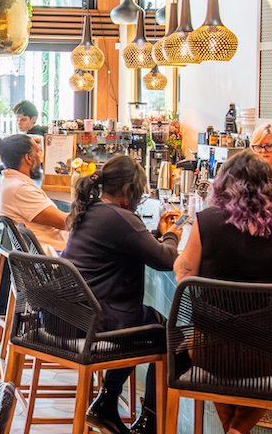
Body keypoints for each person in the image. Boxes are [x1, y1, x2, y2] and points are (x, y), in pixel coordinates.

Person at [174, 151, 272, 434]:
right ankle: (237, 430)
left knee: (221, 357)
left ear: (223, 185)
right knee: (271, 370)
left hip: (209, 351)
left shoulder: (206, 221)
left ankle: (232, 430)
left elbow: (183, 275)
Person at [61, 155, 181, 434]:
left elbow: (127, 241)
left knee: (149, 324)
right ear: (130, 191)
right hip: (96, 321)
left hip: (72, 314)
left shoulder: (92, 209)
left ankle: (107, 400)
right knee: (169, 332)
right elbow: (165, 260)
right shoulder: (119, 217)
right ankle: (148, 421)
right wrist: (172, 234)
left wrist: (155, 234)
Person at [0, 133, 68, 255]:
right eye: (38, 153)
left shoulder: (7, 183)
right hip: (56, 256)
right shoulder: (20, 189)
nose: (40, 158)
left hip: (49, 254)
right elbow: (65, 222)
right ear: (28, 158)